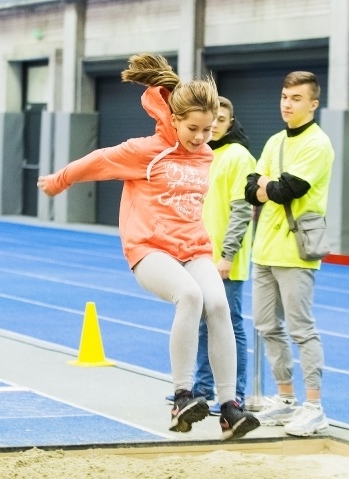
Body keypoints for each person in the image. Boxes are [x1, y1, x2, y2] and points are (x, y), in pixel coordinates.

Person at [37, 53, 260, 441]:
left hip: (193, 248)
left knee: (218, 304)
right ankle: (182, 397)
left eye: (208, 130)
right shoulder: (146, 150)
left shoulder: (206, 154)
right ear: (175, 119)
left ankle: (229, 407)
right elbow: (99, 160)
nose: (200, 138)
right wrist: (60, 180)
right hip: (149, 249)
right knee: (190, 296)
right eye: (193, 129)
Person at [244, 71, 335, 437]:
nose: (287, 103)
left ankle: (314, 406)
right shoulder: (274, 141)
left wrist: (267, 185)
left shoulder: (318, 144)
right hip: (264, 248)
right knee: (266, 326)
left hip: (296, 250)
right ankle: (285, 398)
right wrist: (268, 185)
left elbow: (287, 190)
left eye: (296, 98)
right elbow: (251, 189)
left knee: (301, 329)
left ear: (313, 104)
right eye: (284, 96)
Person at [191, 96, 255, 414]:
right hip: (200, 255)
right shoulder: (203, 154)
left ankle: (235, 394)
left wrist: (228, 255)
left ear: (231, 123)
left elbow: (242, 210)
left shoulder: (238, 157)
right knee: (203, 324)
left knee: (230, 325)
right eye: (211, 118)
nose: (214, 124)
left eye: (221, 119)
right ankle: (202, 389)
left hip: (224, 259)